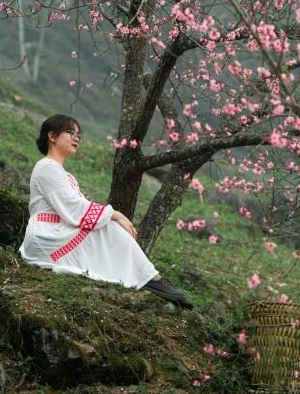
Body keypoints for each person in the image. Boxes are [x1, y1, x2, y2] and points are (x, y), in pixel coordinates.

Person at [19, 114, 193, 307]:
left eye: (79, 135)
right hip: (48, 235)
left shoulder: (64, 174)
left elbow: (76, 209)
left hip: (59, 230)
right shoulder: (46, 167)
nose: (77, 138)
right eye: (71, 133)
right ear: (52, 136)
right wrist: (114, 214)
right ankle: (151, 279)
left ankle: (149, 278)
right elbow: (73, 208)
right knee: (109, 226)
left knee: (107, 226)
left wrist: (109, 216)